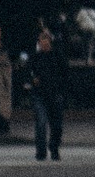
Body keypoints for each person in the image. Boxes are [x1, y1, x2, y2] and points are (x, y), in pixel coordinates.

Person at [26, 20, 68, 162]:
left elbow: (65, 73)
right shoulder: (35, 57)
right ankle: (41, 152)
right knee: (41, 123)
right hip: (40, 95)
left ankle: (54, 147)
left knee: (57, 126)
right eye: (41, 40)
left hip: (55, 94)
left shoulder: (57, 56)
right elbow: (27, 73)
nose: (43, 42)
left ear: (50, 41)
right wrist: (32, 81)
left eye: (46, 39)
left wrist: (62, 91)